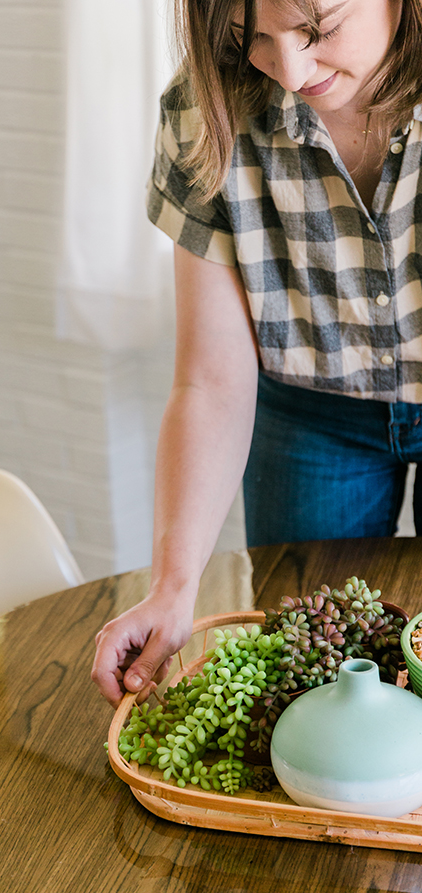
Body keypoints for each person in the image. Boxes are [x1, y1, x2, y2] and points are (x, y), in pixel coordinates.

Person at [92, 0, 422, 706]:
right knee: (312, 681)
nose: (290, 71)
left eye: (319, 29)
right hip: (308, 411)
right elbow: (210, 383)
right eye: (253, 38)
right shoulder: (203, 110)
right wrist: (173, 586)